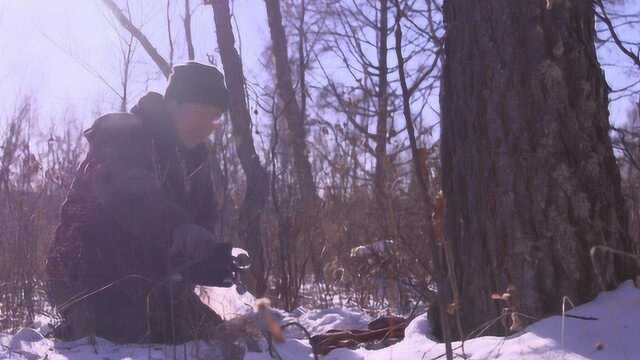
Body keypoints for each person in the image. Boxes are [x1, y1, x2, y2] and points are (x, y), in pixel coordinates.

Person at [46, 62, 237, 344]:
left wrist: (208, 255)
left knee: (214, 334)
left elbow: (203, 219)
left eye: (214, 118)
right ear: (173, 103)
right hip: (89, 277)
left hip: (151, 281)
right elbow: (131, 194)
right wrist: (179, 229)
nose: (206, 126)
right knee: (137, 332)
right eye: (200, 113)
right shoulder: (122, 133)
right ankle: (84, 323)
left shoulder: (196, 160)